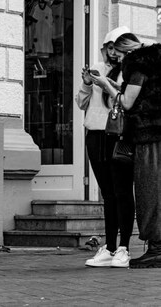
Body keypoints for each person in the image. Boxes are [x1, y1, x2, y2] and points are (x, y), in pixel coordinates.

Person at [91, 33, 161, 269]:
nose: (118, 60)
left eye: (119, 55)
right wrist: (111, 84)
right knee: (152, 190)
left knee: (148, 191)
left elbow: (128, 102)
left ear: (126, 51)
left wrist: (105, 86)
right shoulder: (151, 63)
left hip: (148, 136)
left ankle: (157, 248)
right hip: (154, 134)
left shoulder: (139, 66)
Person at [75, 26, 135, 268]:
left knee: (122, 192)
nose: (111, 53)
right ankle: (109, 247)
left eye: (115, 48)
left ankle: (124, 248)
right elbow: (81, 103)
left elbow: (126, 101)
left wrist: (107, 84)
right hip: (95, 136)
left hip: (118, 136)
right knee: (107, 195)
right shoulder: (97, 67)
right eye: (108, 47)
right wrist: (88, 83)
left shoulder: (130, 70)